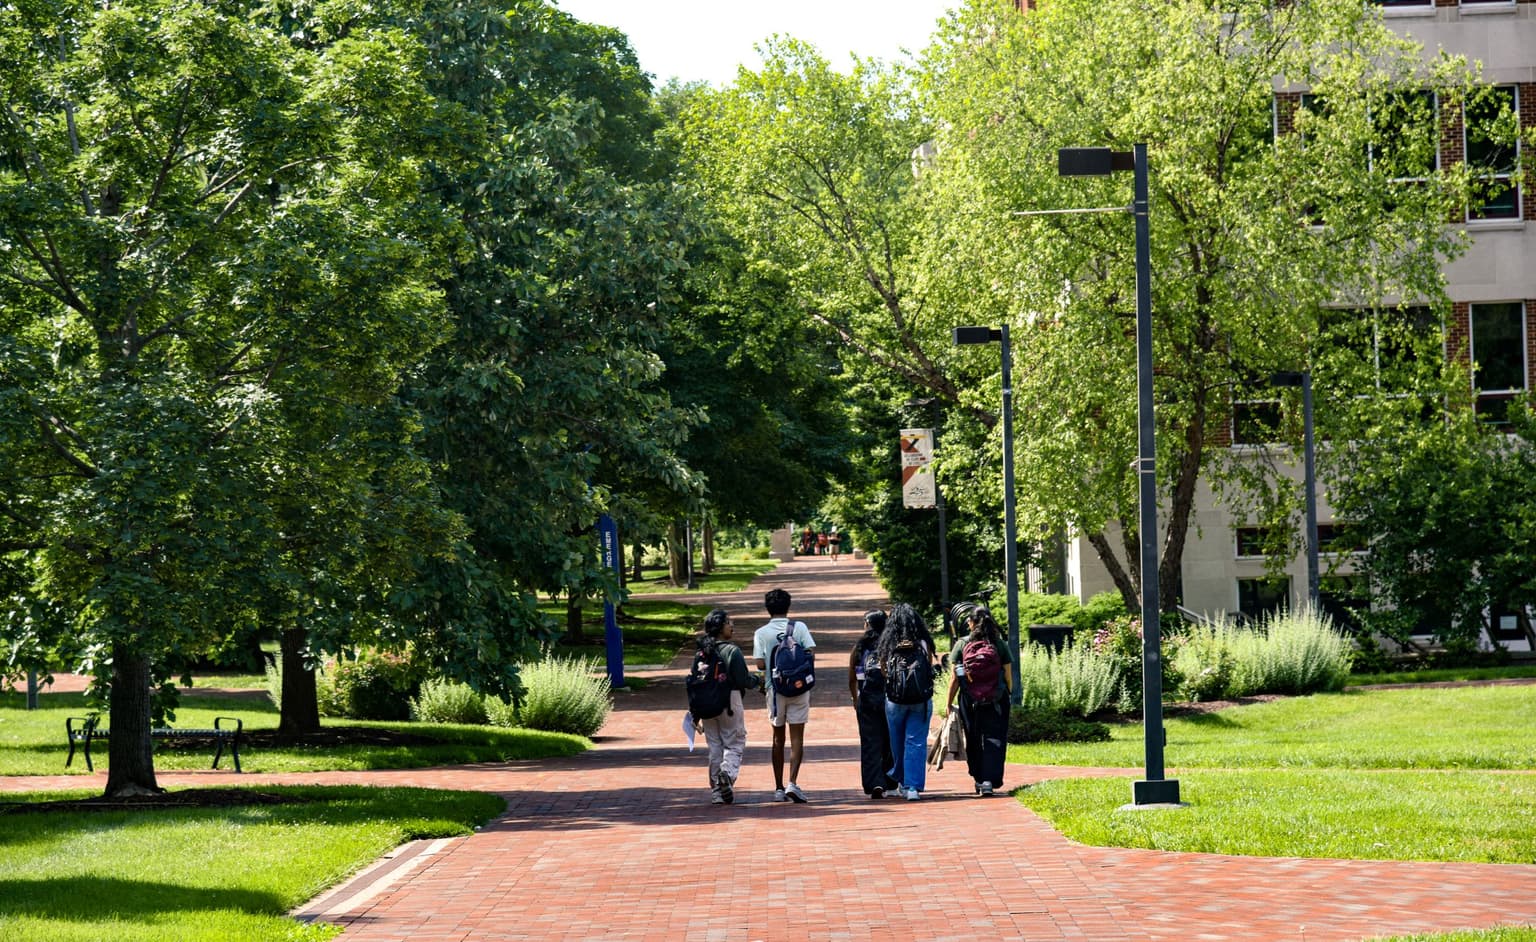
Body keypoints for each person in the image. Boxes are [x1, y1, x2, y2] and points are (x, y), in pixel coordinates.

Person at [753, 588, 816, 802]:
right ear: (788, 606)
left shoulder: (761, 633)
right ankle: (792, 782)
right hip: (799, 687)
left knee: (777, 738)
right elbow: (810, 652)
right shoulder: (799, 627)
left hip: (774, 689)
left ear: (767, 608)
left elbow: (760, 664)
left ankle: (778, 788)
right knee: (797, 737)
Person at [946, 605, 1013, 797]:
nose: (967, 622)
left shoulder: (962, 644)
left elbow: (955, 678)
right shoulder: (999, 644)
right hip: (996, 699)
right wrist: (1007, 693)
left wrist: (948, 702)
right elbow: (1008, 675)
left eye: (969, 620)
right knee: (995, 738)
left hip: (970, 699)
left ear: (972, 622)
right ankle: (989, 781)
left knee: (973, 737)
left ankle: (978, 777)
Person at [877, 603, 941, 801]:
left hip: (895, 700)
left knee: (897, 741)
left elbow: (884, 670)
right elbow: (928, 668)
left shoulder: (889, 642)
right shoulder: (922, 643)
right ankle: (912, 787)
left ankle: (902, 780)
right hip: (920, 700)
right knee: (916, 741)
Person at [695, 609, 758, 804]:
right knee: (735, 741)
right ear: (720, 627)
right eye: (728, 622)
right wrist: (758, 681)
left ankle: (717, 792)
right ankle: (727, 773)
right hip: (729, 700)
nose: (732, 626)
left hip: (706, 703)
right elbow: (742, 679)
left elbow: (694, 682)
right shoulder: (732, 651)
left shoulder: (701, 652)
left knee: (714, 746)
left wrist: (694, 713)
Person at [847, 609, 897, 798]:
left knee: (870, 743)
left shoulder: (859, 647)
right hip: (889, 700)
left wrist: (855, 699)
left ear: (867, 624)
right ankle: (891, 782)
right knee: (889, 741)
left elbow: (851, 678)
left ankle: (874, 783)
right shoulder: (891, 645)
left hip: (866, 700)